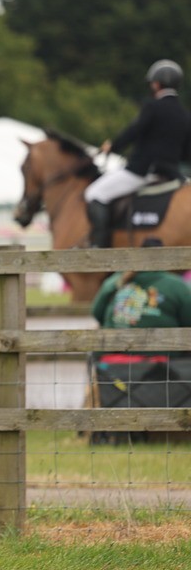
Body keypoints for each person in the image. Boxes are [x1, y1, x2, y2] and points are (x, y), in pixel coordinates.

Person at [85, 59, 191, 248]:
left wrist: (113, 146)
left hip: (142, 172)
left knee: (95, 193)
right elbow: (185, 153)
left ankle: (98, 246)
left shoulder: (152, 106)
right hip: (169, 174)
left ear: (156, 84)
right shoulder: (185, 115)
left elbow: (134, 131)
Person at [90, 239, 191, 434]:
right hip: (162, 364)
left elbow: (96, 313)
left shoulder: (115, 282)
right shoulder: (177, 286)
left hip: (111, 363)